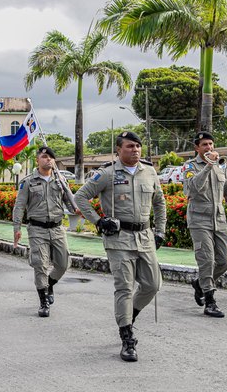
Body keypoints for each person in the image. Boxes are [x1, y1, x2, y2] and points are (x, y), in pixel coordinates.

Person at [75, 131, 166, 362]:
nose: (135, 150)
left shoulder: (150, 172)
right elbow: (81, 197)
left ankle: (130, 315)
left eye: (137, 146)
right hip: (119, 239)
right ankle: (127, 337)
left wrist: (160, 231)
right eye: (129, 146)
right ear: (118, 150)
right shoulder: (106, 174)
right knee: (124, 287)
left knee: (153, 285)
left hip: (145, 237)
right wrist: (98, 221)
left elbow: (159, 203)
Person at [182, 132, 227, 318]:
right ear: (197, 148)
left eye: (210, 144)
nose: (209, 148)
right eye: (204, 145)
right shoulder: (190, 166)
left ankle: (200, 283)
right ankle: (210, 301)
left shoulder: (222, 167)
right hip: (198, 219)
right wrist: (209, 165)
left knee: (225, 260)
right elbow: (193, 188)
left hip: (219, 218)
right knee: (206, 260)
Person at [12, 147, 76, 318]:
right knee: (40, 264)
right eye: (45, 157)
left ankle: (49, 285)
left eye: (51, 158)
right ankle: (43, 302)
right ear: (37, 160)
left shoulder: (60, 180)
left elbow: (69, 203)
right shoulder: (28, 182)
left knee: (63, 264)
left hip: (56, 228)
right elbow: (19, 206)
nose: (48, 160)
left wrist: (78, 209)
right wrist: (17, 228)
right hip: (37, 229)